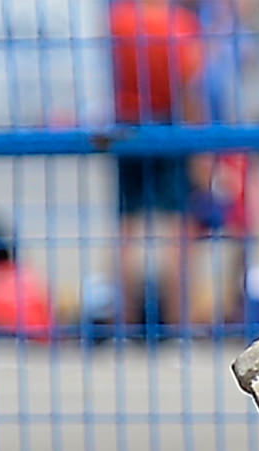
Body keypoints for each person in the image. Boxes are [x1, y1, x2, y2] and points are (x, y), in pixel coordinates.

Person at [106, 0, 206, 333]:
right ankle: (180, 322)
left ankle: (124, 322)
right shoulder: (179, 25)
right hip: (169, 127)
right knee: (179, 229)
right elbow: (189, 89)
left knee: (126, 227)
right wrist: (199, 146)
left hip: (127, 127)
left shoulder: (119, 21)